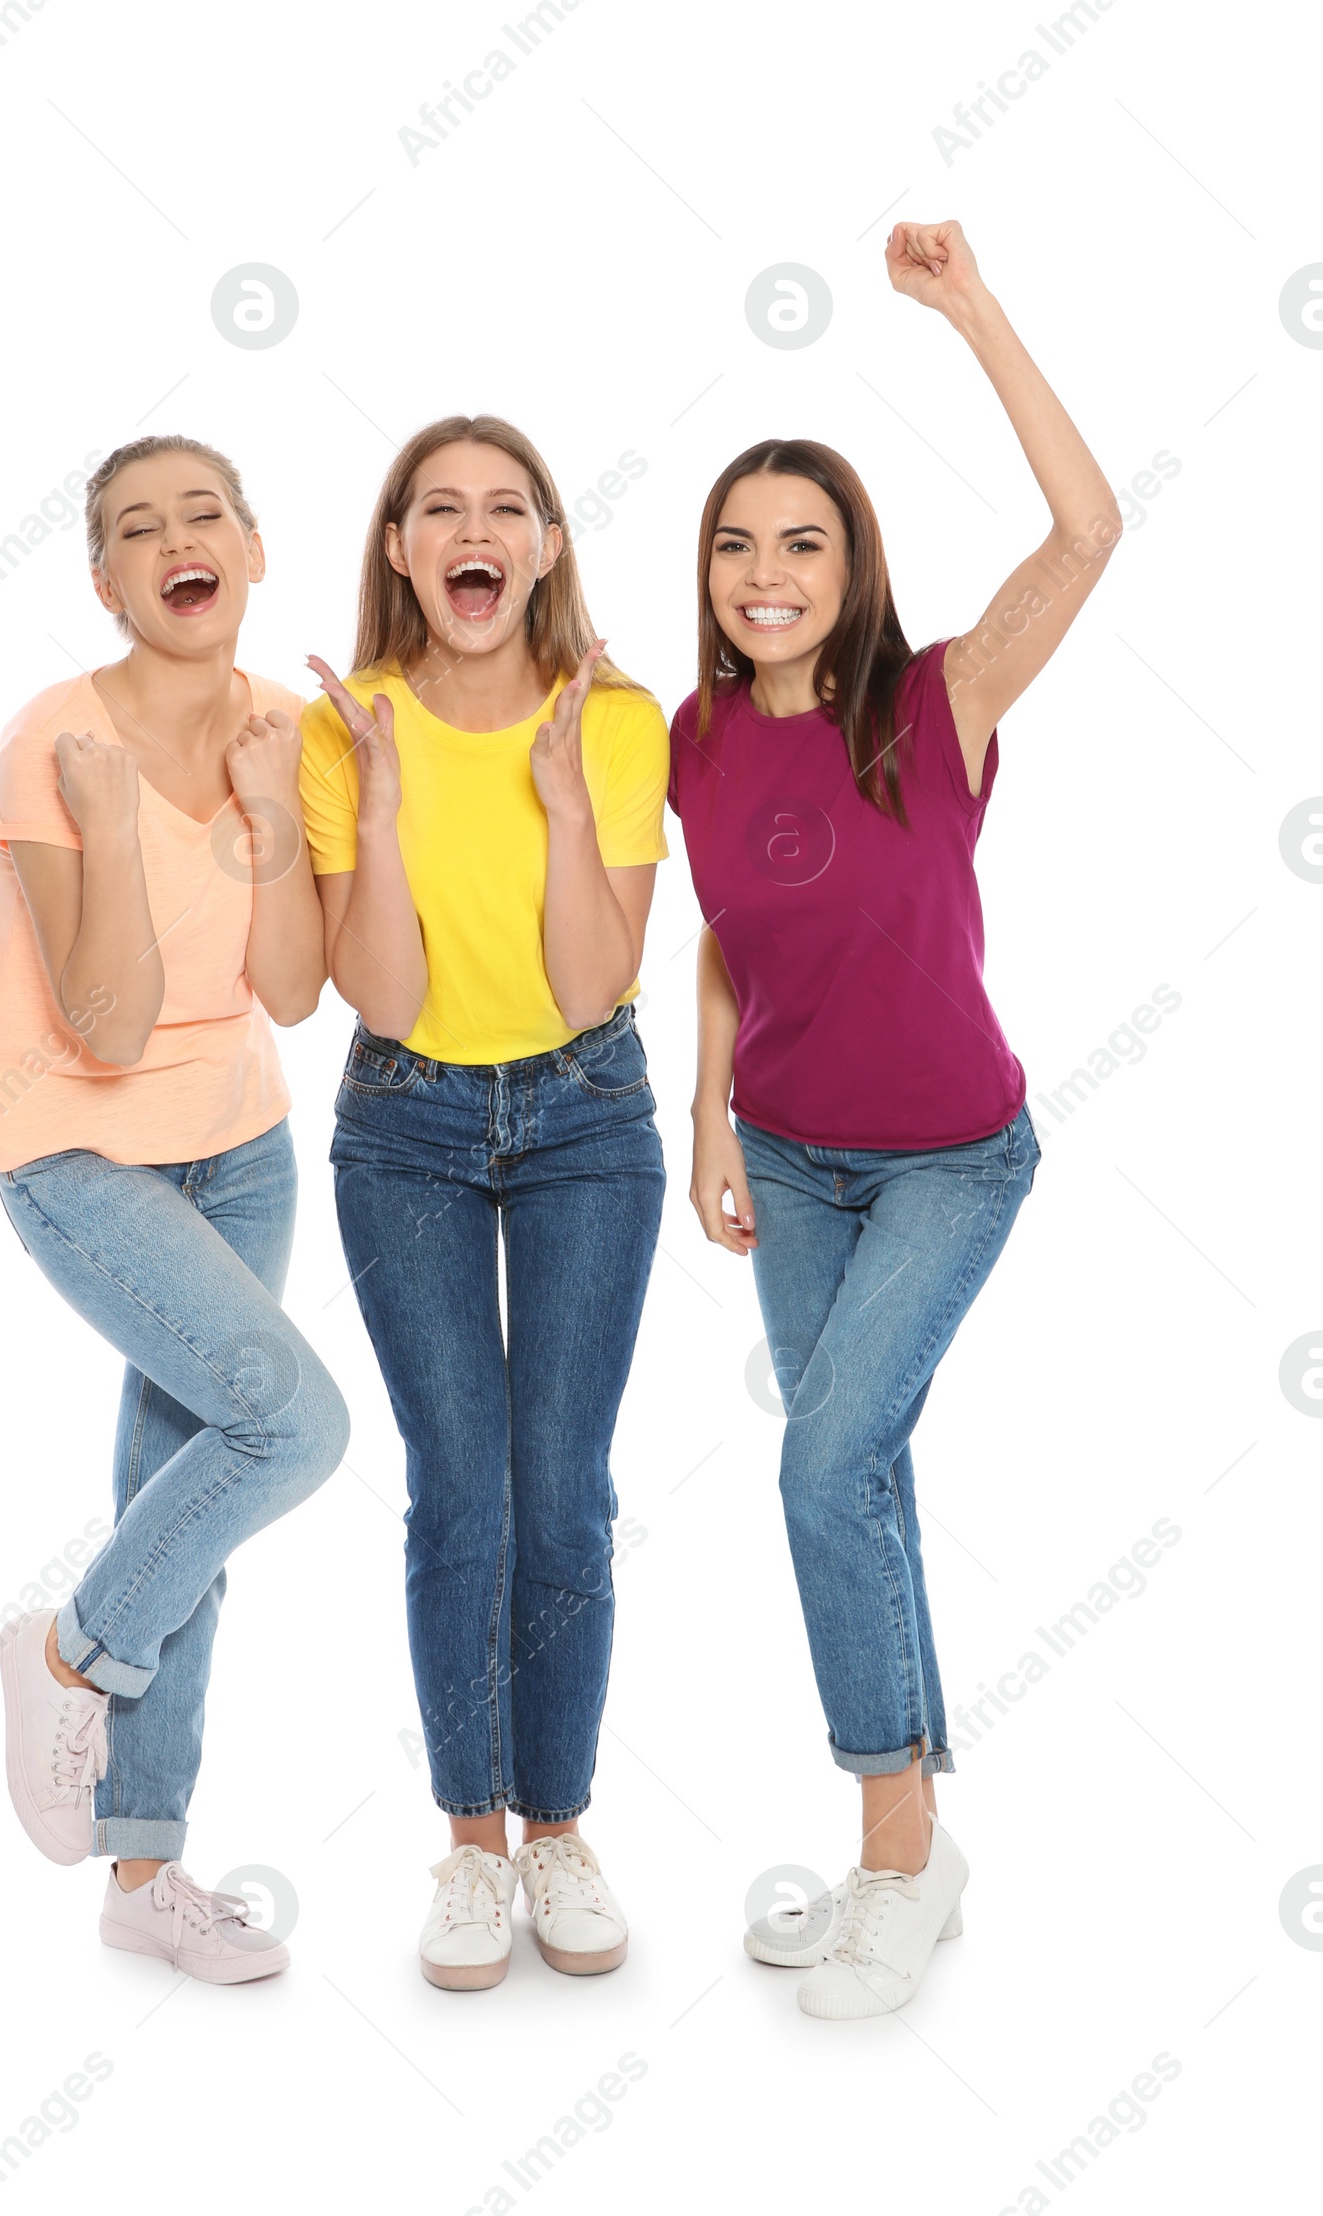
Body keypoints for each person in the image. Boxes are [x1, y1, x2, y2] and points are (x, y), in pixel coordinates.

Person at [673, 222, 1121, 2017]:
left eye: (804, 543)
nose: (767, 573)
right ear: (704, 569)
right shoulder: (697, 739)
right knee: (867, 1471)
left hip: (953, 1157)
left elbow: (1089, 533)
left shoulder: (940, 699)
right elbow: (723, 933)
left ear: (854, 567)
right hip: (788, 1154)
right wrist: (707, 1119)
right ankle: (921, 1845)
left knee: (823, 1464)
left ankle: (889, 1862)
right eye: (737, 543)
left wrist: (975, 312)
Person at [299, 415, 669, 1989]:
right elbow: (375, 997)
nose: (475, 530)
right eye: (439, 509)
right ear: (401, 551)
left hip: (588, 1115)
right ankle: (470, 1847)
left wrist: (566, 801)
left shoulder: (622, 719)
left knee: (562, 1485)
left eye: (506, 507)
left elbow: (598, 981)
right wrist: (378, 809)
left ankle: (560, 1827)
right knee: (462, 1484)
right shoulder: (346, 727)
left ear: (547, 545)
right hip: (409, 1128)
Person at [0, 433, 349, 1984]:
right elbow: (112, 1028)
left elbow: (288, 991)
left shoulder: (288, 731)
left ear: (253, 550)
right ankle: (66, 1650)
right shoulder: (52, 742)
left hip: (241, 1144)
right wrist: (123, 823)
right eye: (140, 529)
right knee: (291, 1430)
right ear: (108, 582)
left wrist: (275, 818)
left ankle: (147, 1874)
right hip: (77, 1151)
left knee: (183, 1489)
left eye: (206, 513)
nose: (177, 540)